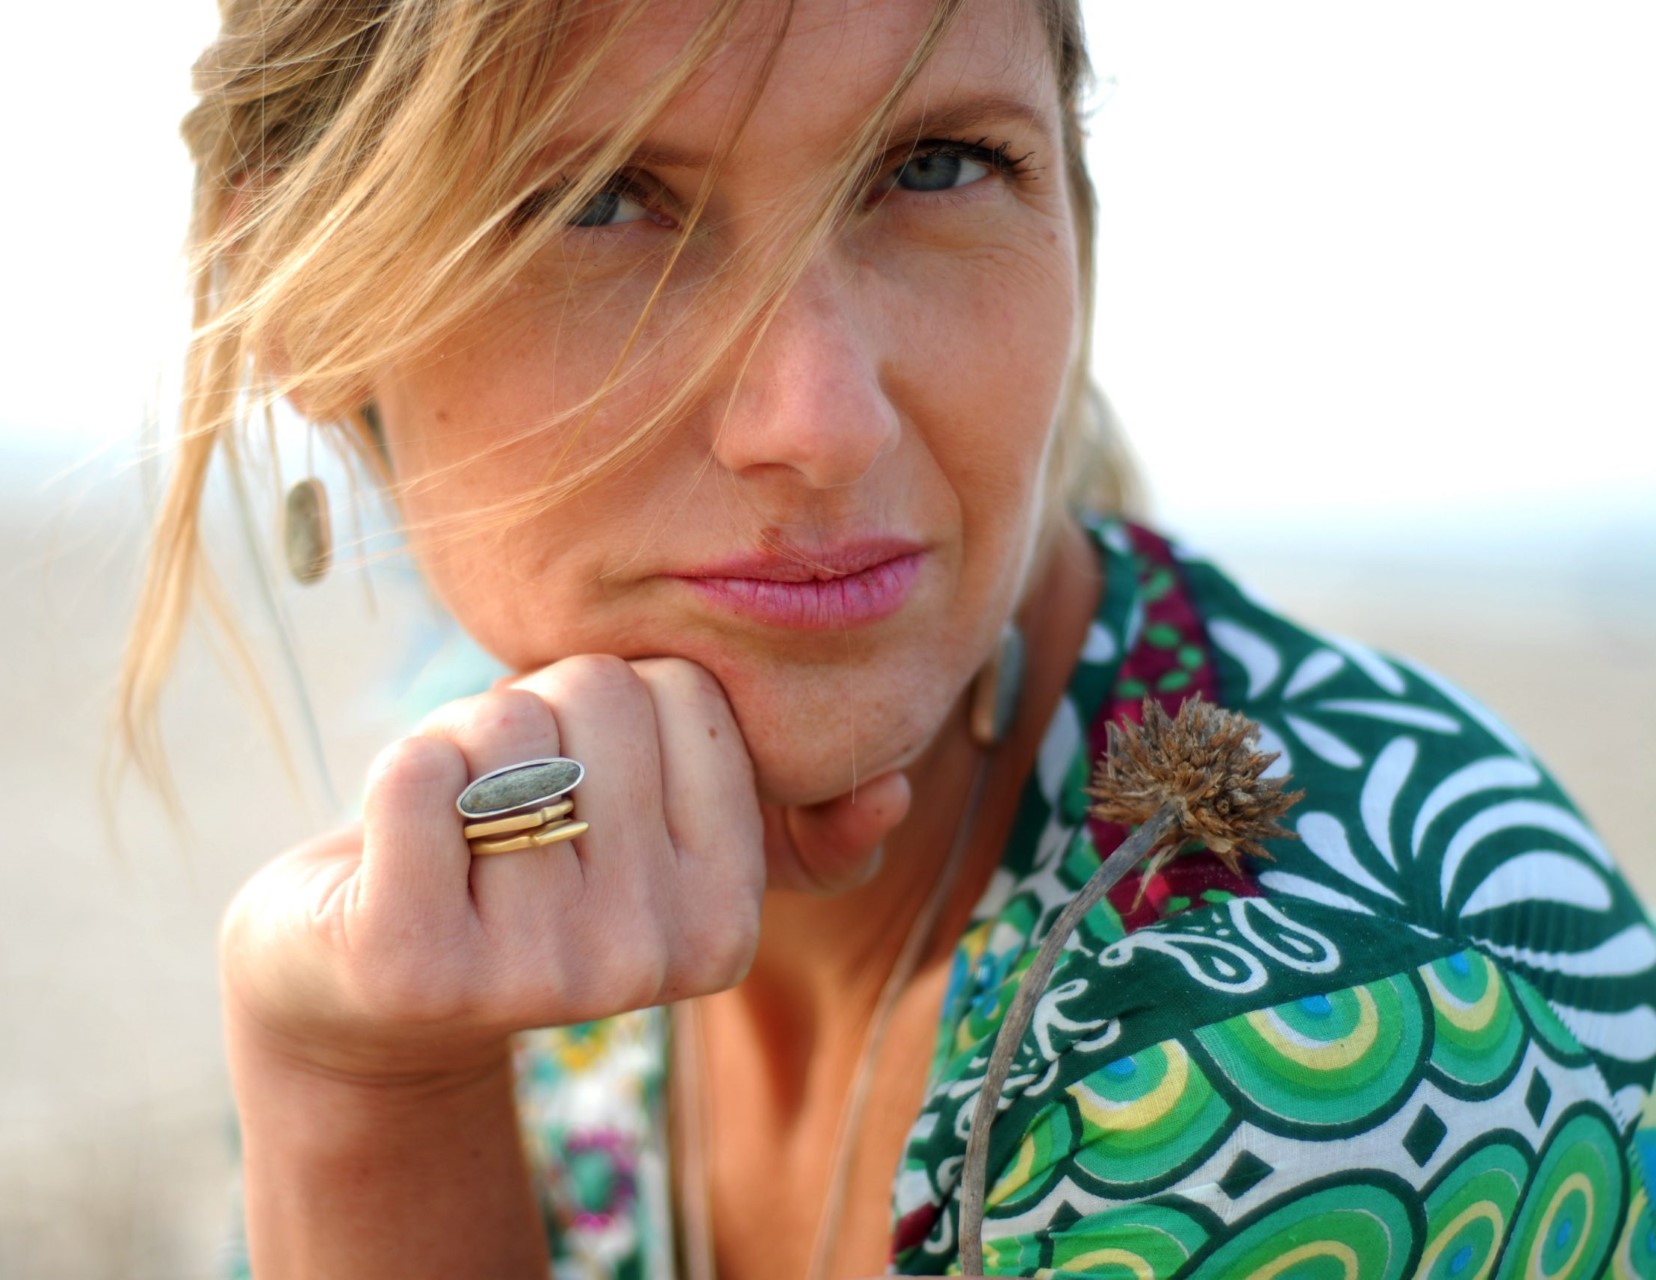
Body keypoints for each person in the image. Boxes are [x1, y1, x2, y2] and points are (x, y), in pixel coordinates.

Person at [119, 0, 1656, 1275]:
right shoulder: (503, 770)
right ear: (297, 301)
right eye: (596, 200)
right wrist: (364, 1066)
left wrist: (361, 1112)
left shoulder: (1324, 1057)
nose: (824, 421)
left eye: (934, 165)